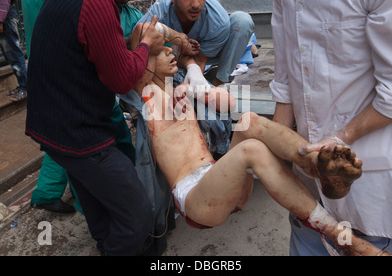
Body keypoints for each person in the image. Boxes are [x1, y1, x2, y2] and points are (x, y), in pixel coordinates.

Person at [119, 28, 390, 256]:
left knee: (249, 120)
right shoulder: (147, 95)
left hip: (217, 181)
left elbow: (230, 105)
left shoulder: (180, 85)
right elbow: (142, 37)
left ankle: (315, 165)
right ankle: (346, 239)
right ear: (145, 62)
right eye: (160, 50)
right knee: (251, 150)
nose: (170, 51)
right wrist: (153, 41)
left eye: (169, 47)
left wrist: (194, 87)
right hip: (195, 199)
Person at [25, 0, 164, 256]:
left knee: (98, 205)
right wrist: (144, 47)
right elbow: (122, 79)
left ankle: (106, 244)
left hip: (57, 131)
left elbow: (90, 56)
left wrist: (130, 46)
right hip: (80, 135)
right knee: (137, 217)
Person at [259, 0, 392, 255]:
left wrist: (343, 137)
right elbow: (285, 85)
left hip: (370, 191)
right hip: (309, 198)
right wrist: (272, 162)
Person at [22, 0, 94, 214]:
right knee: (72, 137)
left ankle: (47, 192)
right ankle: (84, 199)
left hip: (44, 72)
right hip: (60, 74)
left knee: (59, 136)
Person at [138, 0, 254, 90]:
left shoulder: (218, 21)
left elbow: (199, 62)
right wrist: (178, 38)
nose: (196, 4)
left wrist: (200, 92)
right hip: (172, 55)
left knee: (242, 21)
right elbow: (139, 34)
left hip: (206, 55)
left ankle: (217, 83)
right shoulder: (160, 10)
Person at [0, 0, 28, 102]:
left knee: (14, 53)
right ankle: (22, 85)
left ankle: (26, 87)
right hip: (5, 16)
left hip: (5, 16)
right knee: (10, 54)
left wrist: (0, 19)